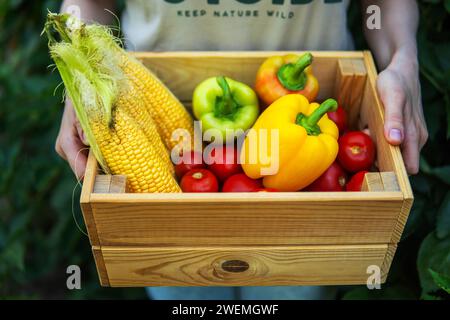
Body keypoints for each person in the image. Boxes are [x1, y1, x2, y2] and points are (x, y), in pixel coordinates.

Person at [56, 0, 428, 300]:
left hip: (308, 207)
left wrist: (403, 61)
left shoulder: (317, 132)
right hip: (150, 101)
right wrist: (82, 77)